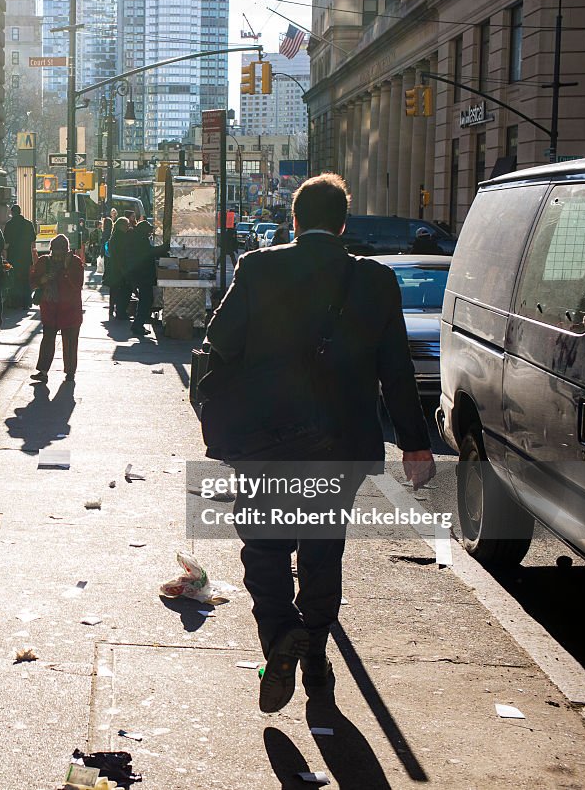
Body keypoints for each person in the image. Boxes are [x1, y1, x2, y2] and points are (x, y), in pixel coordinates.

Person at [206, 173, 436, 713]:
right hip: (342, 442)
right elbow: (397, 370)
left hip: (268, 439)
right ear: (342, 224)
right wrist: (415, 444)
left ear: (294, 220)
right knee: (322, 549)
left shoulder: (259, 268)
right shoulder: (375, 282)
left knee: (264, 546)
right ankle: (315, 655)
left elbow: (219, 339)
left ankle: (282, 636)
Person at [29, 234, 84, 384]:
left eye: (61, 251)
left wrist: (66, 271)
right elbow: (32, 282)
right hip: (50, 308)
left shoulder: (74, 262)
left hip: (70, 309)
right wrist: (42, 280)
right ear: (51, 249)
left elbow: (77, 285)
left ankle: (70, 372)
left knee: (71, 342)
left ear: (67, 250)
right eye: (55, 251)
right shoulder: (44, 261)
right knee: (48, 339)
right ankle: (43, 371)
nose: (58, 255)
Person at [124, 218, 169, 337]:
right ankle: (138, 325)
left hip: (139, 275)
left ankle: (138, 324)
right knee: (146, 300)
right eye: (148, 231)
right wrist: (164, 247)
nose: (150, 233)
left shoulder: (136, 238)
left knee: (145, 300)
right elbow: (149, 252)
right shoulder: (140, 240)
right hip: (143, 275)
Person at [4, 204, 37, 310]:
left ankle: (15, 302)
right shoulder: (28, 224)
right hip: (25, 256)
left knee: (14, 279)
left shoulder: (9, 224)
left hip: (13, 256)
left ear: (12, 213)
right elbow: (33, 237)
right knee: (25, 279)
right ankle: (26, 302)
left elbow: (6, 240)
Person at [103, 216, 131, 320]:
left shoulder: (114, 236)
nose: (128, 227)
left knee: (114, 290)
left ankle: (112, 309)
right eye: (127, 225)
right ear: (121, 226)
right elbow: (121, 254)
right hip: (119, 268)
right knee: (123, 290)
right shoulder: (121, 237)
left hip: (114, 267)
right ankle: (120, 312)